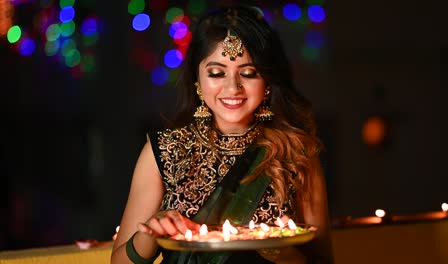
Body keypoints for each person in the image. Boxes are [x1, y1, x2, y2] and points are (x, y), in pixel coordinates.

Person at [111, 4, 334, 264]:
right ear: (198, 80)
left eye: (248, 73)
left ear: (268, 83)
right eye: (217, 73)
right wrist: (151, 230)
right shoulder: (165, 151)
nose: (233, 87)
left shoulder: (295, 153)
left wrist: (282, 251)